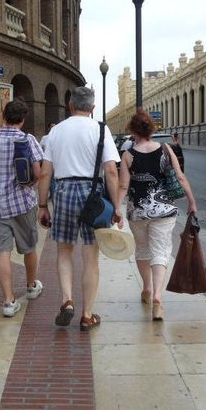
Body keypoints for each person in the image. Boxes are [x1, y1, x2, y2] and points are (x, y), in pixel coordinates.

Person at [37, 86, 122, 332]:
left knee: (64, 251)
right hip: (92, 196)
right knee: (90, 258)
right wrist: (117, 206)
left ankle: (67, 301)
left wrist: (43, 205)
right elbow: (111, 171)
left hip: (63, 192)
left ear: (70, 106)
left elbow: (45, 172)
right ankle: (87, 315)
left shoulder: (56, 132)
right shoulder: (101, 130)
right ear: (93, 108)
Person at [118, 110, 198, 321]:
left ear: (133, 131)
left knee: (143, 250)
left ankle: (146, 288)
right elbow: (180, 176)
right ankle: (157, 296)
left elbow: (123, 186)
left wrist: (117, 208)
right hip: (165, 211)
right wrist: (191, 201)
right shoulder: (166, 149)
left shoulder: (127, 156)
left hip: (138, 212)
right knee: (160, 251)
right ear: (151, 129)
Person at [0, 99, 44, 317]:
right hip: (23, 204)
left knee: (3, 252)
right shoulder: (28, 139)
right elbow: (37, 173)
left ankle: (8, 302)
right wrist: (29, 188)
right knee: (29, 247)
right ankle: (31, 286)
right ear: (23, 120)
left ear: (4, 117)